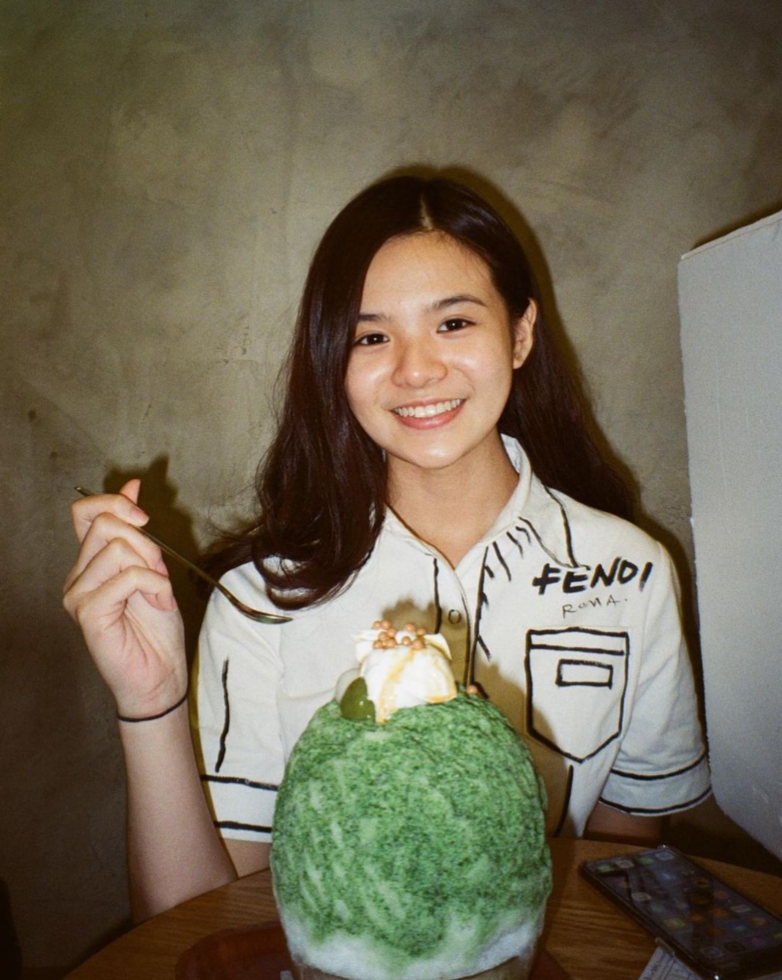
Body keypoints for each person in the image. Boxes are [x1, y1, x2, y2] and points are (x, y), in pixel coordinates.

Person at [64, 174, 710, 922]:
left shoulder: (630, 573)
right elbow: (199, 920)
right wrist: (150, 705)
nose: (416, 369)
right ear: (332, 363)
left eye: (454, 323)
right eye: (371, 337)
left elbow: (617, 867)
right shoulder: (260, 600)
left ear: (521, 333)